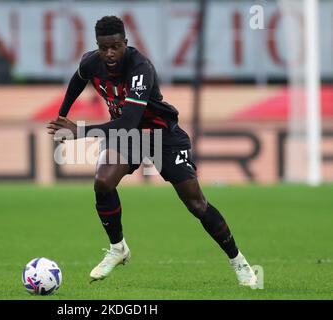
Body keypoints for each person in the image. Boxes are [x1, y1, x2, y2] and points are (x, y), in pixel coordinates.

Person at [47, 16, 257, 287]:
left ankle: (238, 261)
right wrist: (61, 117)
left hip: (161, 134)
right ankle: (118, 248)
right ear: (97, 46)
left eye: (115, 47)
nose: (109, 53)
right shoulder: (91, 61)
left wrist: (80, 131)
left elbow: (129, 120)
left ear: (125, 43)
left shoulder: (140, 68)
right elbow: (78, 80)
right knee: (102, 182)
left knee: (196, 203)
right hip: (128, 136)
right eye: (103, 47)